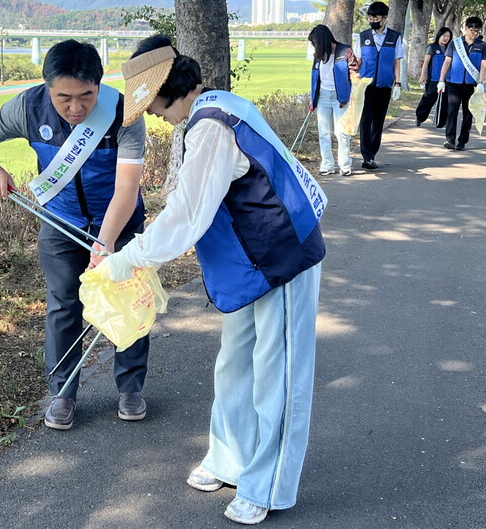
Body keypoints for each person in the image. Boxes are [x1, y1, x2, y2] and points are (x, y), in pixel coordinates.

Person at [92, 35, 326, 526]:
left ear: (168, 90)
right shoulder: (214, 108)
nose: (154, 116)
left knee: (278, 374)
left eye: (153, 105)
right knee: (235, 363)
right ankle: (229, 459)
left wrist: (126, 259)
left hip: (280, 254)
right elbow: (190, 204)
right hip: (250, 260)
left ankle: (267, 486)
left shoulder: (211, 126)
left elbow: (187, 215)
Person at [0, 39, 149, 431]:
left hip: (118, 221)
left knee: (127, 299)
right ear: (48, 88)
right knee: (63, 305)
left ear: (99, 85)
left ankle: (131, 388)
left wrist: (105, 242)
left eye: (86, 96)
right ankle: (62, 393)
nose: (76, 108)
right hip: (61, 221)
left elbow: (126, 188)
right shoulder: (28, 107)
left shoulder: (125, 113)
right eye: (64, 97)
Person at [356, 1, 404, 170]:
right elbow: (358, 61)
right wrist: (353, 79)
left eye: (375, 18)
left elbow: (397, 62)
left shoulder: (394, 37)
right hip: (365, 86)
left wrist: (397, 83)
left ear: (384, 18)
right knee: (365, 120)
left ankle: (372, 154)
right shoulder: (362, 37)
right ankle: (366, 156)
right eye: (370, 17)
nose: (372, 20)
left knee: (378, 121)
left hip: (384, 86)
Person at [308, 24, 357, 176]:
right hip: (323, 96)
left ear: (322, 40)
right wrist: (313, 99)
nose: (314, 46)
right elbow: (315, 78)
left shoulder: (345, 51)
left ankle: (345, 165)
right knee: (323, 132)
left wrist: (355, 92)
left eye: (315, 43)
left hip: (341, 97)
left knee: (341, 132)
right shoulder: (318, 56)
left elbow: (354, 72)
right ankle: (327, 165)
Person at [437, 17, 486, 151]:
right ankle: (450, 139)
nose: (474, 33)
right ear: (466, 29)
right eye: (472, 30)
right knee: (452, 111)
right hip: (453, 83)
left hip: (471, 85)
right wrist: (441, 80)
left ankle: (462, 141)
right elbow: (447, 62)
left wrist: (481, 82)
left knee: (468, 113)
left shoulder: (482, 46)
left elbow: (484, 65)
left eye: (477, 31)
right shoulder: (455, 43)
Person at [414, 27, 453, 127]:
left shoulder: (450, 48)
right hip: (433, 79)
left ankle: (441, 123)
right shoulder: (432, 47)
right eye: (444, 36)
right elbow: (426, 62)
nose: (446, 38)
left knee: (444, 102)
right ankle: (420, 117)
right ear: (439, 36)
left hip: (446, 79)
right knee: (428, 99)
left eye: (448, 37)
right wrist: (423, 75)